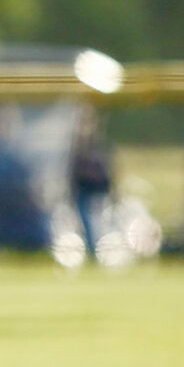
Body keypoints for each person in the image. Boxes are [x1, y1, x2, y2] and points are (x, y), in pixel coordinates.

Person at [68, 109, 116, 262]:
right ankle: (92, 252)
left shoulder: (100, 145)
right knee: (85, 222)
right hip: (83, 189)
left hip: (98, 190)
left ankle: (99, 253)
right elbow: (73, 170)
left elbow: (109, 169)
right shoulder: (77, 146)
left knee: (98, 222)